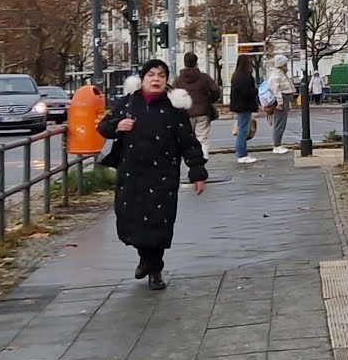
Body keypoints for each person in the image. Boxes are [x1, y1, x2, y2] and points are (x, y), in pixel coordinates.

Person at [97, 59, 207, 291]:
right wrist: (118, 125)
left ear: (166, 81)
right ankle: (144, 258)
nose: (156, 79)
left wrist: (197, 172)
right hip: (132, 174)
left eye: (161, 75)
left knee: (158, 223)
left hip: (162, 175)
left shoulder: (173, 109)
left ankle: (155, 270)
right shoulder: (128, 103)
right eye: (151, 75)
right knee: (133, 221)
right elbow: (104, 127)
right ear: (143, 79)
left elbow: (188, 143)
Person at [172, 52, 221, 160]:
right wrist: (210, 100)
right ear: (196, 62)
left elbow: (173, 95)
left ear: (184, 63)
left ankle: (191, 158)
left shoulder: (178, 80)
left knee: (188, 138)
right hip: (202, 111)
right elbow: (216, 90)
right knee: (202, 138)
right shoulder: (204, 77)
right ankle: (203, 157)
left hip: (185, 113)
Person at [230, 55, 260, 164]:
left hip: (239, 105)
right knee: (243, 130)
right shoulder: (245, 76)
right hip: (244, 105)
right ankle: (242, 154)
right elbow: (247, 91)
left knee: (242, 129)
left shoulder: (236, 75)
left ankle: (240, 152)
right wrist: (256, 91)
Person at [267, 55, 297, 154]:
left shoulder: (280, 73)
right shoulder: (276, 75)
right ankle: (277, 145)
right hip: (282, 100)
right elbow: (276, 91)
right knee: (279, 123)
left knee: (280, 122)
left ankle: (278, 144)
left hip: (284, 99)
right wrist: (280, 103)